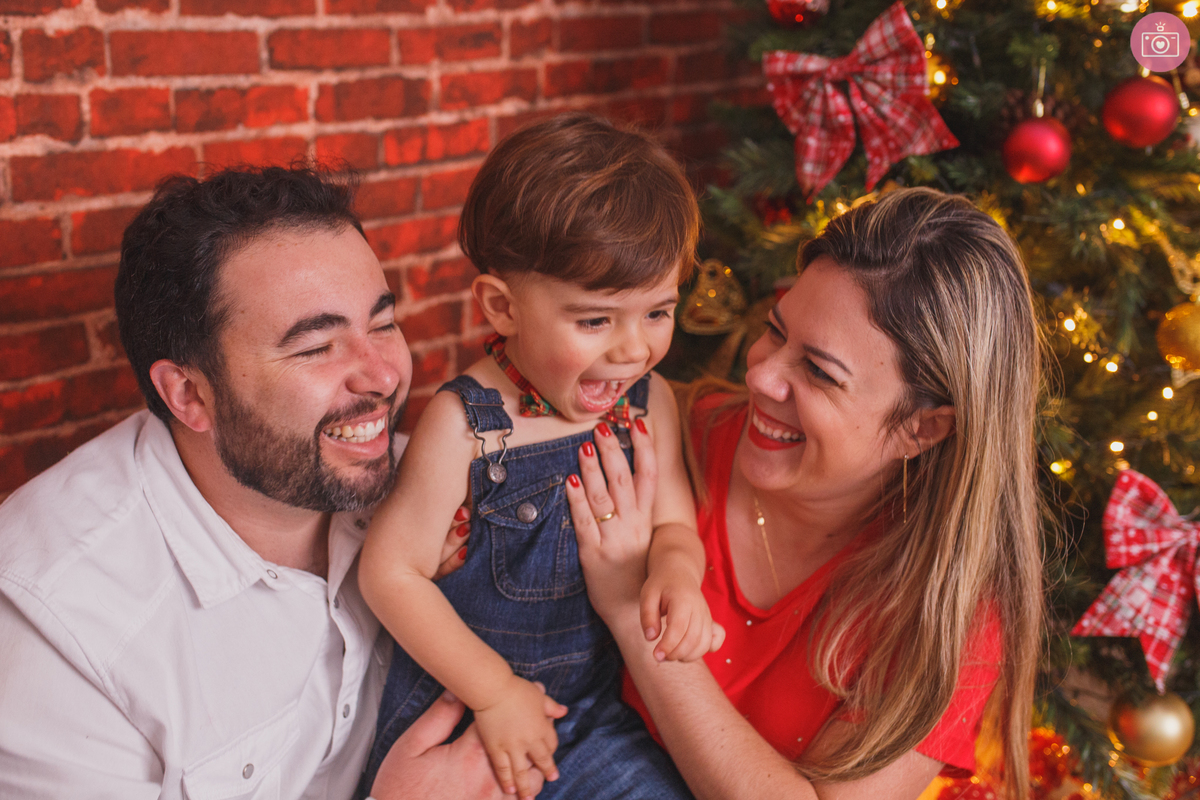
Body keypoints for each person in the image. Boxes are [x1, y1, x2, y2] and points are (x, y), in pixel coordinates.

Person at [0, 166, 527, 800]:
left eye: (383, 324)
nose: (383, 376)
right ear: (190, 393)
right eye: (316, 348)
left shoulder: (419, 492)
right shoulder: (52, 626)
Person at [562, 188, 1044, 800]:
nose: (760, 375)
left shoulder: (947, 612)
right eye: (774, 330)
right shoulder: (657, 435)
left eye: (818, 371)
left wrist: (636, 614)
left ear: (922, 428)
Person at [358, 113, 718, 800]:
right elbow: (390, 573)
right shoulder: (466, 424)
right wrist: (495, 694)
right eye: (594, 320)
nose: (632, 349)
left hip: (590, 711)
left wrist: (677, 574)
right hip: (466, 704)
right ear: (502, 307)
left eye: (657, 312)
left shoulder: (647, 402)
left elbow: (674, 521)